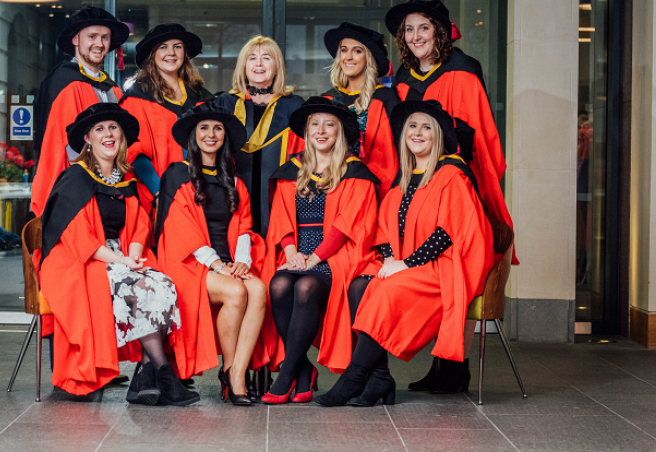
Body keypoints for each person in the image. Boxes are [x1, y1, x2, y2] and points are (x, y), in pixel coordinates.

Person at [316, 100, 493, 407]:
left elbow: (449, 232)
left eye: (427, 127)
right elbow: (386, 229)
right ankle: (380, 377)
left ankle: (355, 377)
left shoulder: (451, 175)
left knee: (385, 291)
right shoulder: (403, 182)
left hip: (445, 268)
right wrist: (388, 259)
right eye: (412, 126)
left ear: (437, 136)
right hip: (410, 265)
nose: (418, 132)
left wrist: (406, 264)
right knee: (362, 284)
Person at [386, 0, 515, 390]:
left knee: (450, 263)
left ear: (439, 32)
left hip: (456, 187)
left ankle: (452, 366)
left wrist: (451, 178)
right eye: (408, 30)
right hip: (419, 188)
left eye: (423, 28)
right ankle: (443, 366)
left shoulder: (463, 70)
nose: (416, 36)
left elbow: (481, 139)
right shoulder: (403, 79)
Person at [36, 103, 199, 406]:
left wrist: (134, 256)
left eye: (113, 128)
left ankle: (146, 376)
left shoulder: (127, 178)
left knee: (164, 285)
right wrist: (123, 261)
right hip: (81, 260)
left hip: (123, 257)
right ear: (87, 138)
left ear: (122, 135)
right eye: (99, 129)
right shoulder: (75, 179)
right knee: (144, 290)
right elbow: (76, 238)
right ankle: (163, 373)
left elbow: (138, 227)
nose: (108, 134)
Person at [260, 97, 379, 404]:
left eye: (330, 124)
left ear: (340, 132)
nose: (321, 131)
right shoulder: (293, 169)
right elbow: (281, 217)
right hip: (298, 251)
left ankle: (288, 374)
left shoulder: (354, 172)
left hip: (335, 255)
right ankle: (302, 371)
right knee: (279, 284)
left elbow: (346, 225)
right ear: (306, 130)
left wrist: (315, 258)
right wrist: (289, 251)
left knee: (307, 287)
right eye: (315, 124)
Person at [154, 103, 268, 406]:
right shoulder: (178, 175)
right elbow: (181, 230)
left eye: (217, 128)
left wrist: (241, 261)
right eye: (203, 128)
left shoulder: (234, 181)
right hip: (189, 262)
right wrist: (218, 265)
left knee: (257, 288)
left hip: (228, 263)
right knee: (234, 292)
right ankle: (233, 374)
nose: (211, 134)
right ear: (193, 135)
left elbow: (244, 225)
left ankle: (236, 372)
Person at [32, 7, 130, 217]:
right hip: (75, 190)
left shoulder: (113, 89)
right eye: (92, 36)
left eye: (105, 37)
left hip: (109, 190)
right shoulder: (64, 83)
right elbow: (67, 146)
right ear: (76, 39)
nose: (99, 43)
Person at [214, 36, 305, 237]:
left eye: (266, 58)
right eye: (252, 58)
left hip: (281, 199)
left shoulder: (293, 106)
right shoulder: (225, 104)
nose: (259, 64)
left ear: (277, 65)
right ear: (244, 65)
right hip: (232, 197)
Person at [120, 24, 214, 218]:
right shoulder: (136, 99)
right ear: (152, 54)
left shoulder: (202, 98)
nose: (171, 53)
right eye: (163, 47)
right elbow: (135, 153)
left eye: (177, 46)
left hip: (202, 195)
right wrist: (159, 192)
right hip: (158, 198)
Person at [322, 22, 399, 200]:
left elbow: (393, 154)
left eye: (357, 51)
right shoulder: (328, 100)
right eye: (344, 50)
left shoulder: (385, 98)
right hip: (332, 191)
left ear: (369, 57)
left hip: (375, 190)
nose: (348, 57)